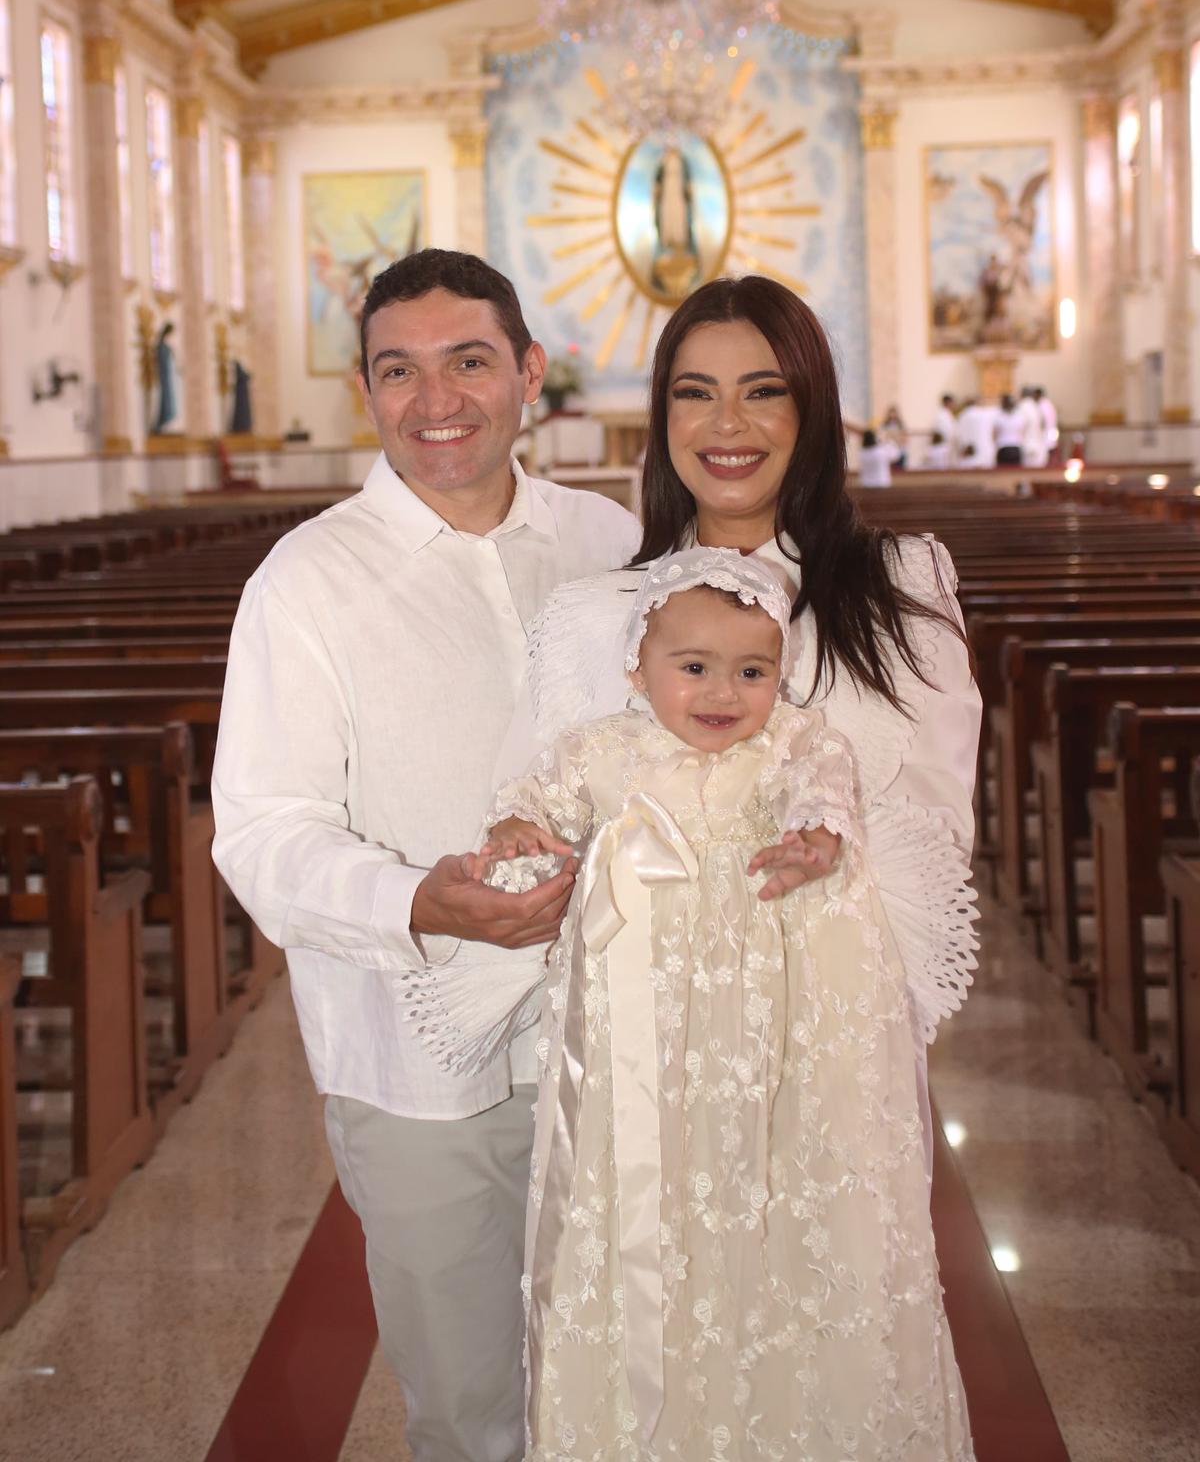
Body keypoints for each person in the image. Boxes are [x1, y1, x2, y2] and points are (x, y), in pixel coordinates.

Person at [211, 248, 639, 1462]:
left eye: (468, 362)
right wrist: (421, 903)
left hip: (614, 1034)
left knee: (627, 1374)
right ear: (366, 392)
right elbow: (262, 832)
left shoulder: (607, 541)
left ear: (529, 376)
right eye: (399, 371)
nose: (435, 399)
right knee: (468, 1411)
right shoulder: (307, 583)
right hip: (415, 1062)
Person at [484, 549, 972, 1459]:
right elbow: (535, 799)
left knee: (781, 1198)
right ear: (638, 667)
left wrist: (815, 839)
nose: (723, 691)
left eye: (752, 671)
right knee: (653, 1209)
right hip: (645, 1035)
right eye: (693, 667)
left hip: (775, 1023)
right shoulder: (605, 749)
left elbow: (821, 792)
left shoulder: (795, 739)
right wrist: (518, 827)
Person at [954, 396, 999, 469]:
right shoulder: (985, 413)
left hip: (968, 453)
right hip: (986, 453)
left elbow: (957, 435)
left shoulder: (962, 415)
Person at [1018, 384, 1048, 468]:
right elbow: (1043, 424)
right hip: (1038, 443)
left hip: (1026, 443)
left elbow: (1020, 426)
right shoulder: (1036, 406)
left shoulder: (1022, 406)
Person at [927, 392, 958, 468]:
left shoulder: (948, 414)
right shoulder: (941, 415)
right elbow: (945, 432)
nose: (954, 405)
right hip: (942, 446)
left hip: (947, 446)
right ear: (948, 402)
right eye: (952, 402)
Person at [994, 391, 1025, 465]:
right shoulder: (1019, 416)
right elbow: (1023, 431)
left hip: (1003, 447)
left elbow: (994, 434)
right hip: (1016, 447)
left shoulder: (998, 416)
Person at [880, 400, 908, 469]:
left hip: (899, 448)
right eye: (891, 413)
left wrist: (899, 440)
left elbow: (905, 437)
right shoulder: (884, 425)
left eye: (894, 413)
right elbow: (881, 437)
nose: (892, 415)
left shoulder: (900, 425)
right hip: (888, 449)